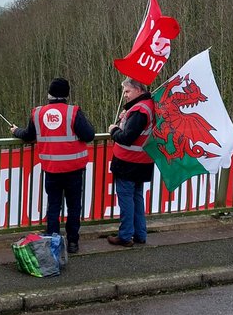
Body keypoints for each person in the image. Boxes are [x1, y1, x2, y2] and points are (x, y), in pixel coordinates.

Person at [11, 77, 95, 254]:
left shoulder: (37, 113)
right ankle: (73, 242)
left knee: (53, 205)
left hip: (51, 169)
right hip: (74, 169)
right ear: (67, 95)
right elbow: (88, 135)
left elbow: (27, 135)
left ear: (49, 94)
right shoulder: (74, 112)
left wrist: (15, 131)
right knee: (74, 206)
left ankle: (53, 240)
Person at [107, 78, 156, 247]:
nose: (125, 95)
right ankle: (140, 234)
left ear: (138, 90)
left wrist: (114, 130)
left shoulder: (140, 110)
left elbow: (127, 137)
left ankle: (125, 235)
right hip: (142, 161)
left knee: (126, 198)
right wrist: (124, 119)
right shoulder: (147, 105)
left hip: (129, 162)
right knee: (137, 197)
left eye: (127, 91)